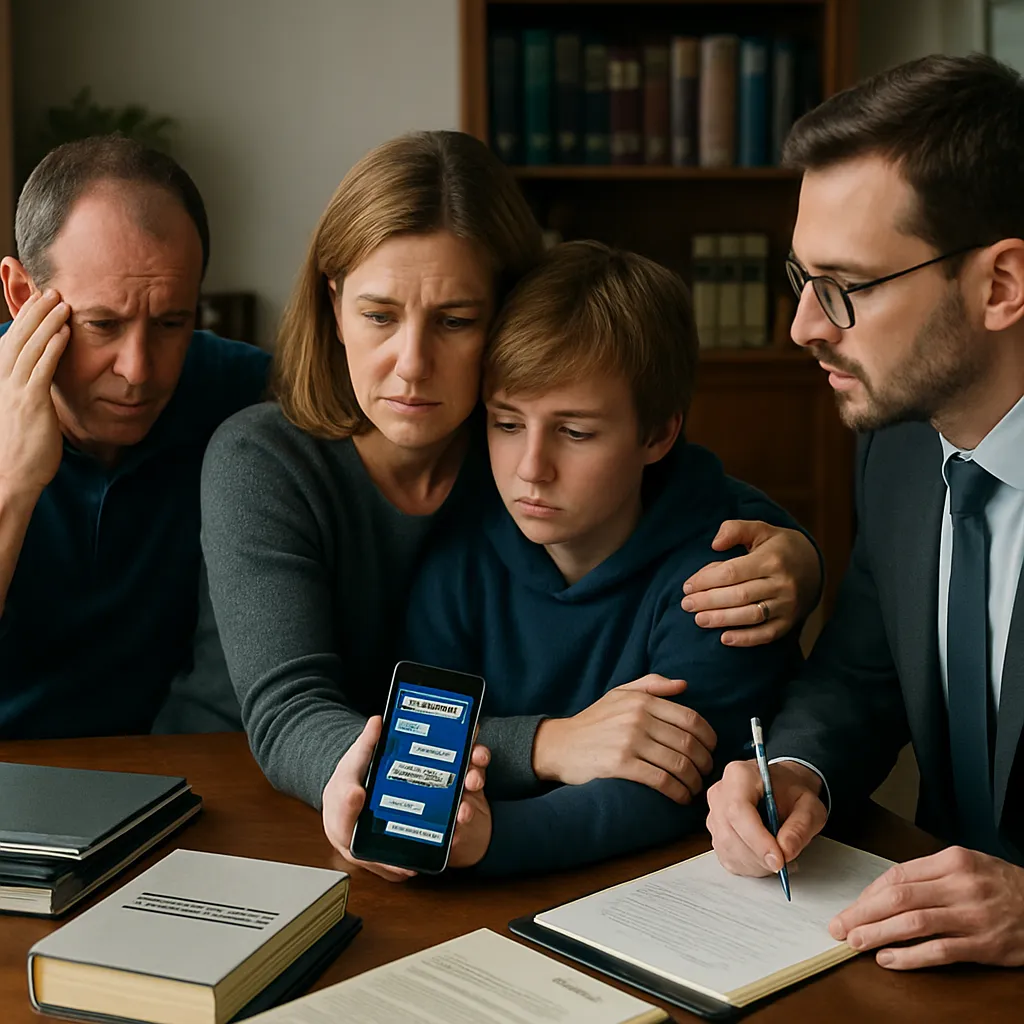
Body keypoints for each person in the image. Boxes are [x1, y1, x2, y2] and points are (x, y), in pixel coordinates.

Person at [199, 130, 822, 877]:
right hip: (262, 782)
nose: (412, 363)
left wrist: (800, 556)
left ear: (508, 319)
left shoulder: (501, 448)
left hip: (507, 820)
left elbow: (684, 495)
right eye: (377, 314)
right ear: (333, 305)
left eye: (457, 321)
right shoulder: (269, 461)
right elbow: (291, 714)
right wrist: (548, 745)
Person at [705, 53, 1024, 971]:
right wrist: (796, 769)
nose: (804, 324)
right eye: (799, 277)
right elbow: (861, 674)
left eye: (845, 286)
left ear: (1000, 285)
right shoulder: (897, 446)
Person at [392, 240, 803, 876]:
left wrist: (492, 839)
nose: (531, 469)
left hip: (675, 890)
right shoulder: (457, 555)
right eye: (506, 424)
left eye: (575, 432)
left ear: (658, 433)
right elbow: (419, 753)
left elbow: (673, 785)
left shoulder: (727, 571)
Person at [0, 135, 269, 739]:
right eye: (102, 324)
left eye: (173, 322)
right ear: (22, 297)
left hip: (183, 780)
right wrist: (11, 485)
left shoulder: (247, 397)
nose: (139, 370)